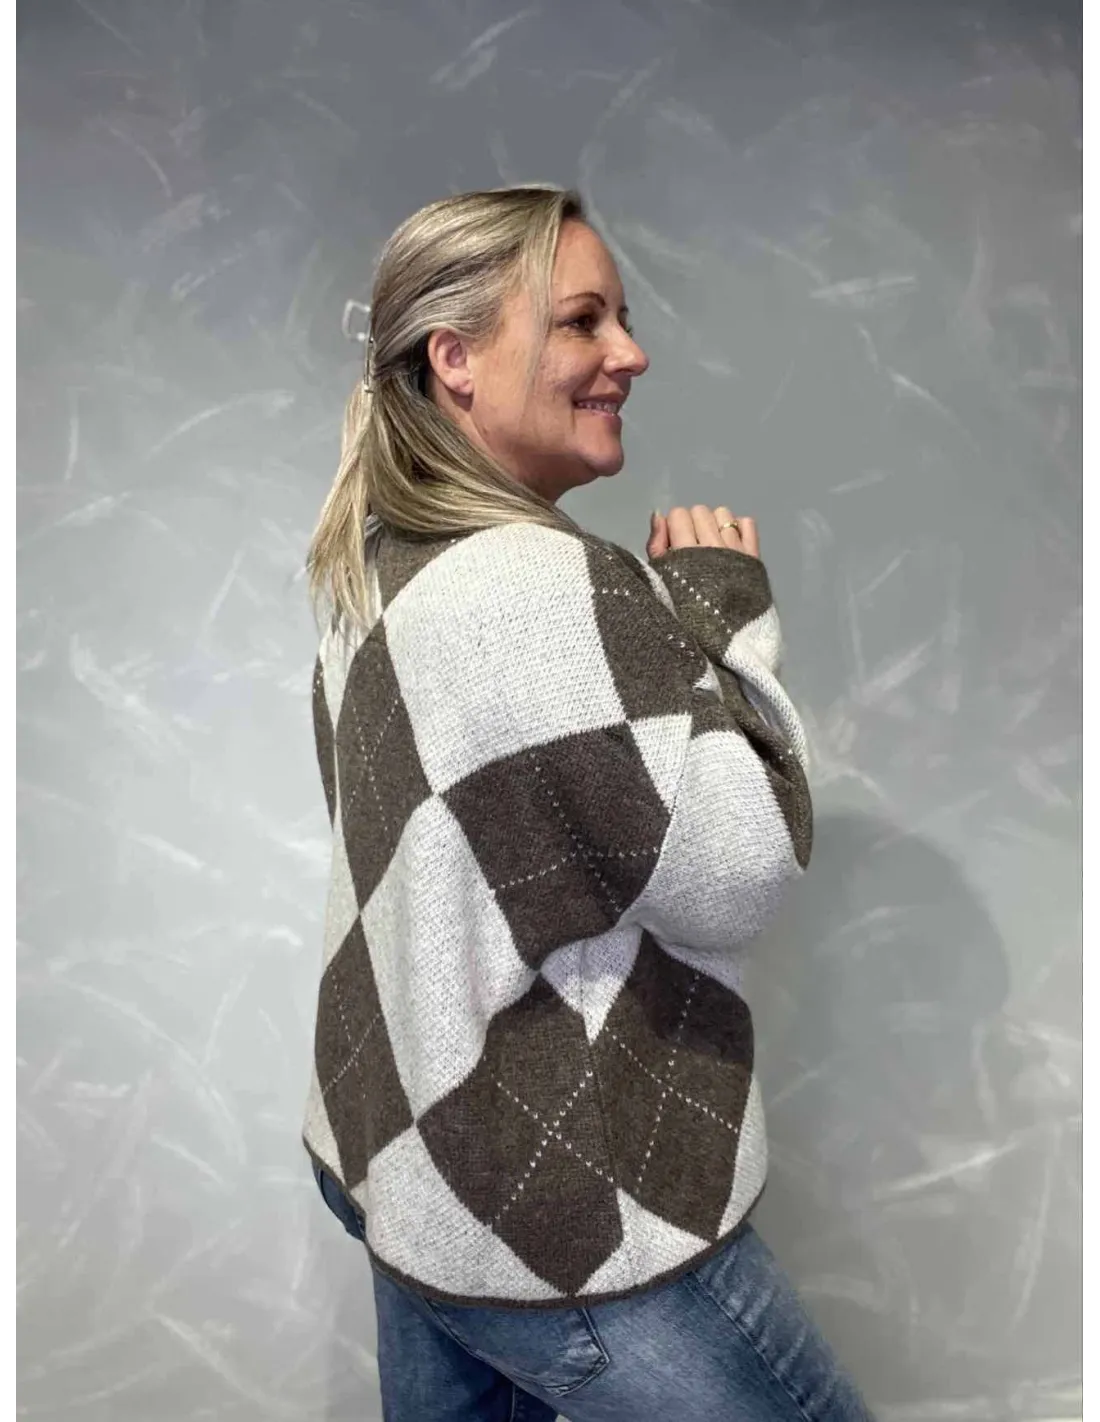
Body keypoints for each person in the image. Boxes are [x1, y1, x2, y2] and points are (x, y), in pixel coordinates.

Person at [303, 185, 875, 1422]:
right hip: (560, 1212)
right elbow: (741, 872)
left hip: (410, 1170)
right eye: (580, 321)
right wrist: (719, 616)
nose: (630, 352)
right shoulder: (540, 585)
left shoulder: (372, 564)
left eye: (620, 317)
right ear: (453, 358)